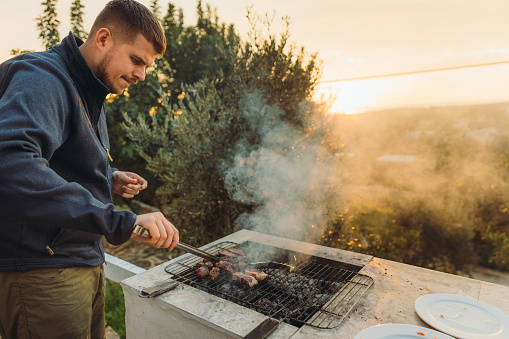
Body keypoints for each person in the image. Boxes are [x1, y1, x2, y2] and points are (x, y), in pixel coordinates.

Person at [0, 1, 179, 338]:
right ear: (103, 39)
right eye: (137, 60)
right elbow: (11, 164)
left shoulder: (91, 90)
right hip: (43, 271)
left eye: (147, 66)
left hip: (81, 261)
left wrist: (107, 180)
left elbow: (55, 162)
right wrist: (120, 219)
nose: (142, 75)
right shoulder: (44, 77)